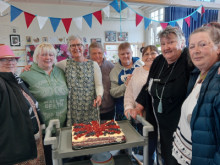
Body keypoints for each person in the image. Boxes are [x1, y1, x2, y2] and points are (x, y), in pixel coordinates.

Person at [130, 26, 194, 165]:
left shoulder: (189, 60)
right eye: (163, 44)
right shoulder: (158, 61)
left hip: (178, 125)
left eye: (171, 42)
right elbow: (148, 86)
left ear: (182, 43)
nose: (166, 47)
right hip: (158, 123)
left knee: (175, 160)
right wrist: (139, 106)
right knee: (161, 157)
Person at [172, 26, 220, 165]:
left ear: (218, 48)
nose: (196, 51)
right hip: (188, 154)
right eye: (192, 46)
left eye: (203, 44)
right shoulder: (198, 75)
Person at [20, 42, 68, 165]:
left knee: (64, 157)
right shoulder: (26, 74)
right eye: (44, 55)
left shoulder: (61, 71)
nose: (48, 57)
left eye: (51, 54)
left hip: (63, 126)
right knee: (48, 160)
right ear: (36, 57)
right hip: (42, 129)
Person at [0, 45, 45, 165]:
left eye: (13, 59)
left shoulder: (16, 80)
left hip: (32, 144)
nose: (10, 62)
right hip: (15, 150)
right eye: (3, 59)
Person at [56, 35, 103, 125]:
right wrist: (30, 66)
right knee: (75, 135)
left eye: (79, 45)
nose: (76, 48)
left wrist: (99, 95)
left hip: (90, 107)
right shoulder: (64, 64)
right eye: (72, 45)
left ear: (84, 47)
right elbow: (48, 66)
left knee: (91, 134)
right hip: (73, 110)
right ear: (69, 49)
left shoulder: (93, 65)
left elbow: (99, 85)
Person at [124, 45, 158, 162]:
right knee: (146, 150)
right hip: (140, 117)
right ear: (142, 58)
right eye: (146, 54)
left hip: (158, 118)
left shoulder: (163, 70)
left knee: (158, 150)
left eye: (153, 53)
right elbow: (129, 92)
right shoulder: (137, 70)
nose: (150, 56)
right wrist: (128, 107)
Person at [109, 42, 143, 121]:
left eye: (128, 53)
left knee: (142, 133)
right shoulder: (114, 71)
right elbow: (113, 93)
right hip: (123, 112)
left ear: (132, 53)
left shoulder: (141, 65)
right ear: (118, 55)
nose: (126, 56)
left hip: (142, 109)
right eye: (122, 54)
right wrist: (125, 85)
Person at [89, 42, 115, 120]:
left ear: (103, 53)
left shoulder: (110, 66)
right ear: (90, 54)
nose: (97, 56)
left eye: (99, 53)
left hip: (109, 108)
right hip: (90, 109)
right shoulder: (86, 66)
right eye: (94, 53)